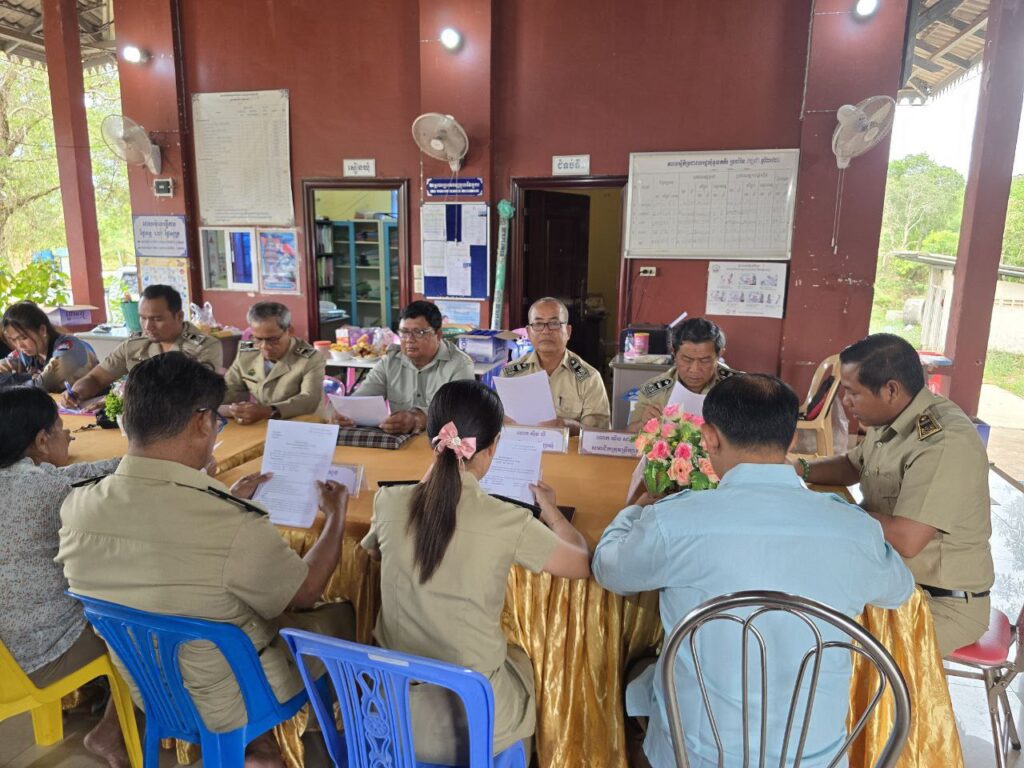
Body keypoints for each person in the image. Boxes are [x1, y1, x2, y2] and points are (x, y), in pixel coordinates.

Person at [594, 374, 914, 768]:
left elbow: (609, 570)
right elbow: (899, 590)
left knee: (636, 676)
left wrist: (635, 510)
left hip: (699, 756)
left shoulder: (675, 522)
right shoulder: (853, 528)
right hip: (817, 759)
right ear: (792, 440)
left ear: (709, 438)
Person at [57, 352, 355, 767]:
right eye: (217, 420)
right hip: (231, 696)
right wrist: (336, 517)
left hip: (147, 686)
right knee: (341, 615)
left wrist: (224, 499)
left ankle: (259, 751)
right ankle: (316, 742)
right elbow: (303, 594)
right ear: (201, 423)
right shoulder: (229, 522)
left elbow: (163, 543)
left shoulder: (78, 504)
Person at [361, 379, 591, 763]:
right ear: (493, 446)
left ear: (432, 440)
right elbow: (580, 562)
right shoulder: (508, 519)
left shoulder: (388, 502)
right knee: (523, 662)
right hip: (472, 721)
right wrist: (550, 510)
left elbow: (371, 552)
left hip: (391, 711)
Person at [797, 334, 993, 656]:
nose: (845, 402)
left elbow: (906, 538)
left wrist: (827, 511)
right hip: (888, 580)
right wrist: (797, 468)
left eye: (852, 392)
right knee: (800, 607)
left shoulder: (943, 442)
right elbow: (851, 465)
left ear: (890, 390)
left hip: (937, 602)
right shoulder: (889, 418)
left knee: (831, 650)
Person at [0, 388, 129, 768]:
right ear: (41, 441)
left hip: (7, 652)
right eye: (61, 428)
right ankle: (111, 731)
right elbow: (123, 475)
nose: (69, 436)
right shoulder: (41, 487)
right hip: (32, 658)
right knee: (139, 624)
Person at [59, 285, 222, 407]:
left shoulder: (204, 347)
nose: (148, 326)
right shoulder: (135, 345)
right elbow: (95, 378)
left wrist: (124, 398)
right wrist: (76, 393)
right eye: (143, 318)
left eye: (157, 319)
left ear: (179, 316)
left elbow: (195, 397)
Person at [330, 301, 474, 434]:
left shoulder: (460, 364)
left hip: (446, 443)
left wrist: (416, 419)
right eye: (404, 333)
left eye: (419, 333)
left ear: (438, 335)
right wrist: (345, 413)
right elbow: (362, 398)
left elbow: (459, 412)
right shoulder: (390, 362)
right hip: (400, 444)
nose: (409, 340)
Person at [500, 297, 610, 433]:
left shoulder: (589, 378)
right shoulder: (510, 374)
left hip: (569, 447)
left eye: (554, 323)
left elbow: (598, 435)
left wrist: (567, 425)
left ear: (568, 331)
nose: (546, 331)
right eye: (538, 324)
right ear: (528, 332)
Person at [221, 301, 325, 423]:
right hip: (263, 423)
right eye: (258, 339)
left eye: (273, 339)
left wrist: (268, 411)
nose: (264, 346)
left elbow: (309, 399)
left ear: (290, 331)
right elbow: (228, 387)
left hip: (302, 423)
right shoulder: (247, 352)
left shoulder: (310, 358)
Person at [628, 317, 738, 431]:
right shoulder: (654, 389)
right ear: (674, 353)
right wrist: (644, 423)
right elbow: (630, 432)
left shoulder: (737, 388)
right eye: (687, 359)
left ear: (719, 354)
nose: (694, 369)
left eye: (705, 361)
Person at [0, 301, 98, 391]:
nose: (19, 345)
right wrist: (27, 377)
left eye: (24, 338)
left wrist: (17, 378)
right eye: (13, 340)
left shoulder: (68, 350)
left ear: (42, 330)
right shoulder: (28, 352)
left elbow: (42, 385)